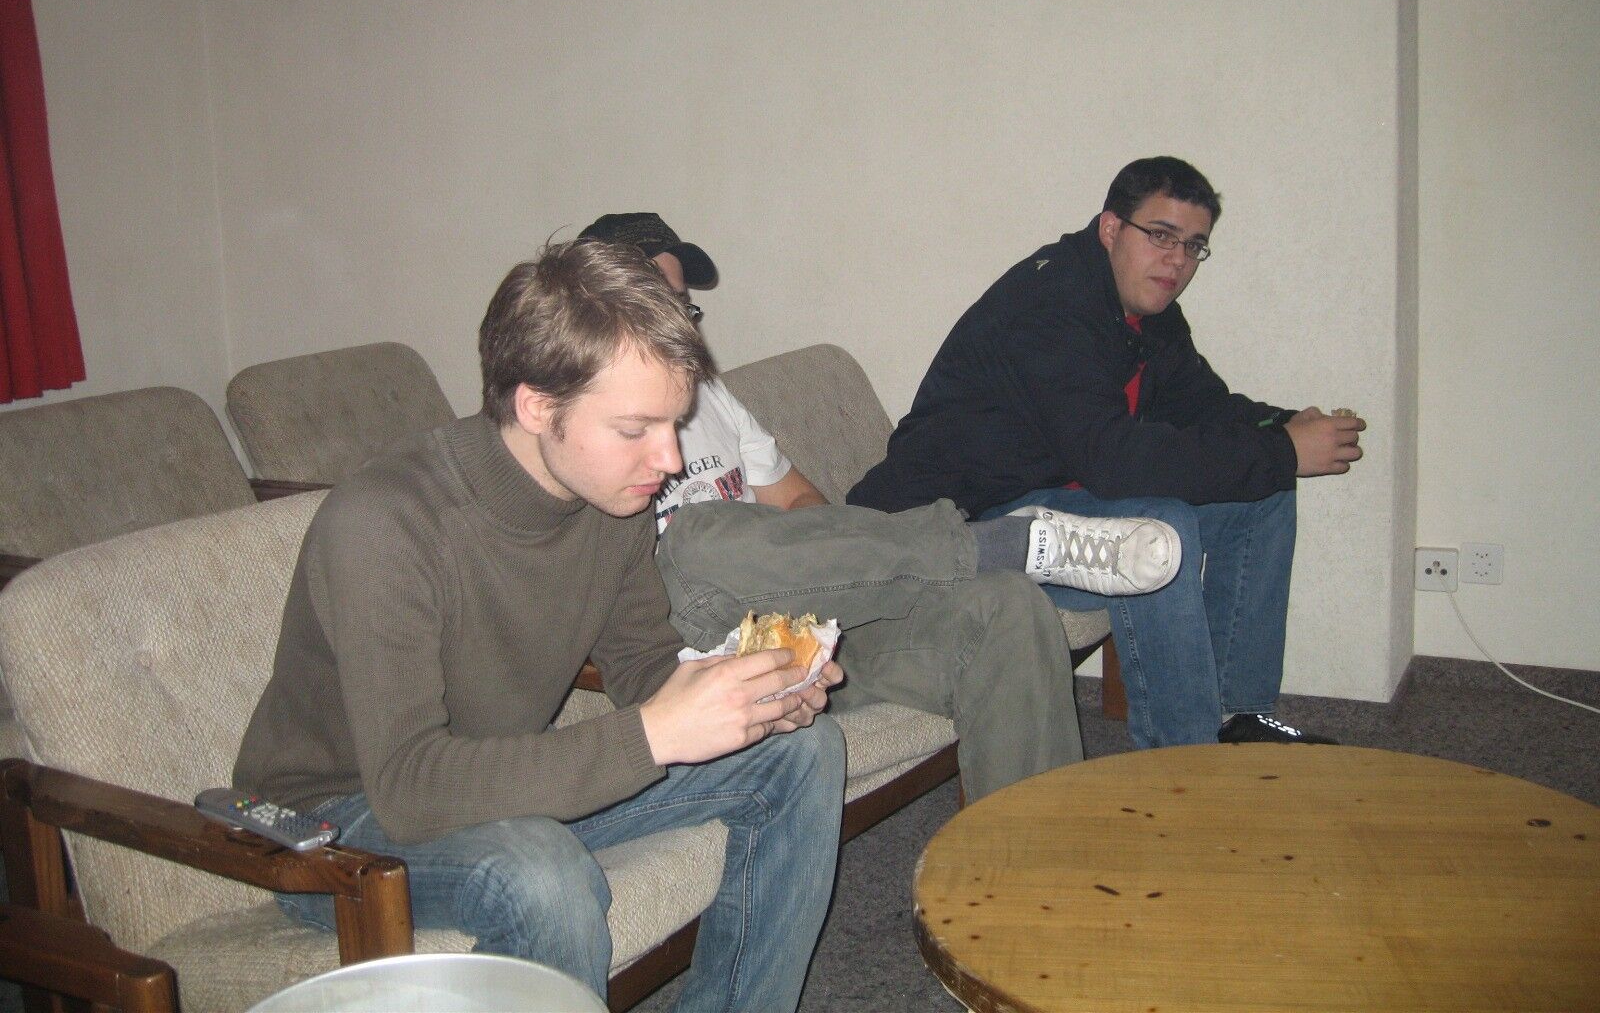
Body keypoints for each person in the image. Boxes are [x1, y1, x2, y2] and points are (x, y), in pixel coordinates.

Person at [234, 240, 846, 1013]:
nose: (668, 459)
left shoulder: (611, 495)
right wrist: (658, 733)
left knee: (802, 751)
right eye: (636, 428)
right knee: (541, 874)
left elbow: (642, 663)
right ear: (535, 407)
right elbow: (410, 789)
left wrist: (748, 697)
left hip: (494, 784)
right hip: (335, 823)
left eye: (675, 423)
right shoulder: (385, 523)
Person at [578, 213, 1180, 802]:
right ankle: (1007, 543)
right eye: (661, 306)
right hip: (691, 638)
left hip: (788, 631)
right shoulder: (582, 424)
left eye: (685, 309)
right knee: (698, 534)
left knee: (1006, 605)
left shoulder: (711, 396)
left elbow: (801, 502)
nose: (684, 329)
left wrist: (826, 593)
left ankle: (1028, 862)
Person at [848, 156, 1366, 750]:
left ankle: (1239, 717)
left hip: (1047, 498)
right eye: (1161, 235)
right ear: (1111, 228)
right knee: (1156, 528)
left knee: (1263, 491)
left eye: (1194, 245)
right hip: (965, 525)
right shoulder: (1050, 304)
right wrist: (1281, 450)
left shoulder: (1147, 311)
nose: (1177, 260)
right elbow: (1114, 462)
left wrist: (1282, 425)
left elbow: (1202, 405)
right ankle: (1183, 754)